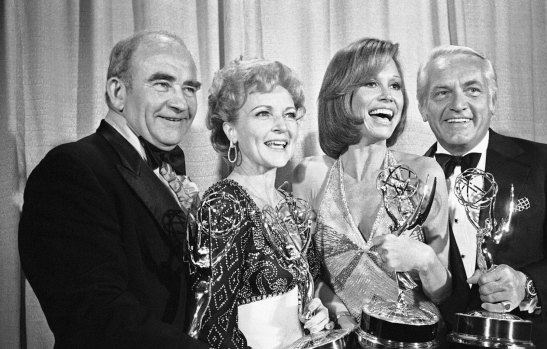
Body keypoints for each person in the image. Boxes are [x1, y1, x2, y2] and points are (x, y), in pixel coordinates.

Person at [18, 31, 208, 348]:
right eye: (162, 83)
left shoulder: (167, 170)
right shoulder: (70, 170)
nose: (180, 102)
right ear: (117, 92)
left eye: (189, 88)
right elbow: (98, 319)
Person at [417, 45, 547, 348]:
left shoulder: (545, 163)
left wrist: (527, 285)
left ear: (492, 101)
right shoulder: (406, 182)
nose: (458, 104)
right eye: (442, 93)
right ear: (422, 107)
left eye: (473, 90)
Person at [293, 38, 452, 332]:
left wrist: (426, 260)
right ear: (341, 95)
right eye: (371, 84)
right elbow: (304, 275)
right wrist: (339, 313)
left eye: (395, 86)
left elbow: (442, 294)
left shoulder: (424, 172)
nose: (388, 96)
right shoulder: (311, 176)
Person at [192, 58, 330, 348]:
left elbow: (311, 287)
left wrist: (318, 313)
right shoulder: (224, 204)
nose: (282, 127)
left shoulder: (293, 206)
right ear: (231, 131)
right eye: (263, 114)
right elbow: (214, 329)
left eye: (289, 114)